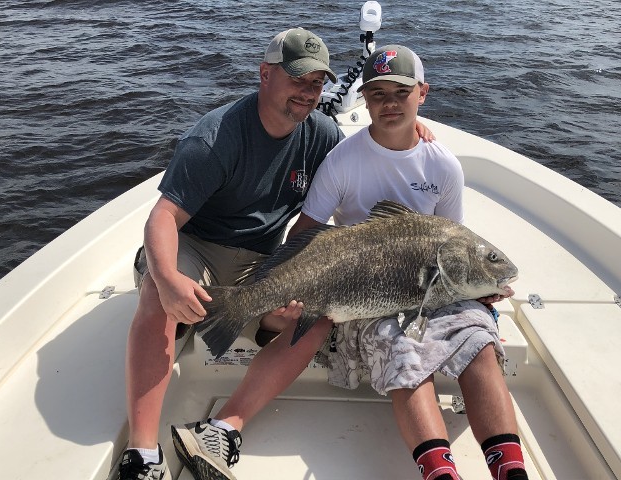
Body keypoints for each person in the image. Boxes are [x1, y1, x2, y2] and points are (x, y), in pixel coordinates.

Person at [172, 45, 528, 480]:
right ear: (365, 100)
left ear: (423, 94)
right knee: (403, 351)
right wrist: (282, 292)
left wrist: (481, 292)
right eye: (377, 94)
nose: (390, 103)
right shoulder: (342, 159)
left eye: (401, 92)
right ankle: (441, 473)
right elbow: (306, 233)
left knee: (479, 342)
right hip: (358, 293)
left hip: (426, 290)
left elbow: (451, 241)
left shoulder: (445, 165)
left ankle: (511, 470)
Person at [118, 29, 433, 480]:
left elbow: (369, 151)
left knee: (314, 318)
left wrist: (416, 129)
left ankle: (224, 428)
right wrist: (168, 277)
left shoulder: (321, 135)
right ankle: (142, 455)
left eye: (317, 83)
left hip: (259, 261)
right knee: (158, 297)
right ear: (265, 75)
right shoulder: (216, 137)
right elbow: (163, 218)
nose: (308, 92)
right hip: (196, 246)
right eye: (298, 79)